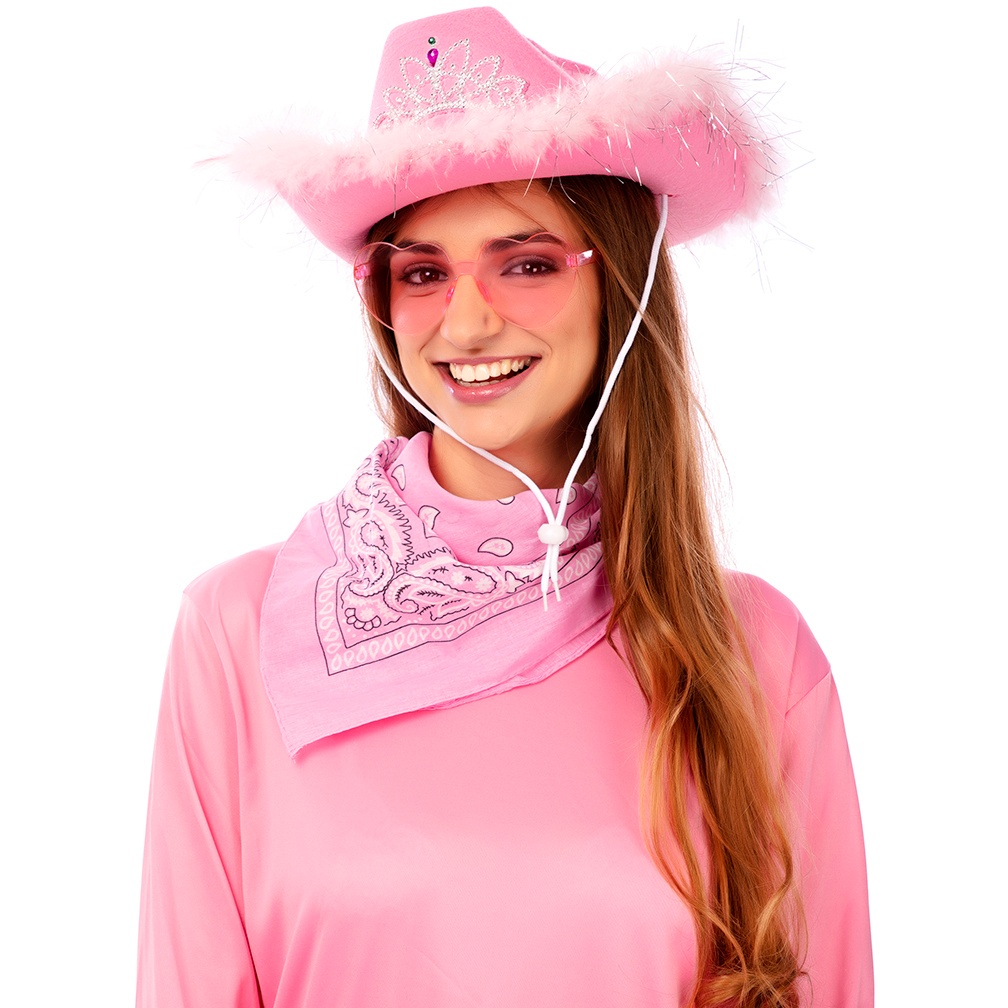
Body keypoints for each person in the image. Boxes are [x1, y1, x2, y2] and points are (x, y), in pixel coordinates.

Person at [137, 7, 873, 1007]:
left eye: (526, 263)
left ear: (619, 282)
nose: (468, 319)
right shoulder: (237, 630)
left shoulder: (757, 653)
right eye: (423, 272)